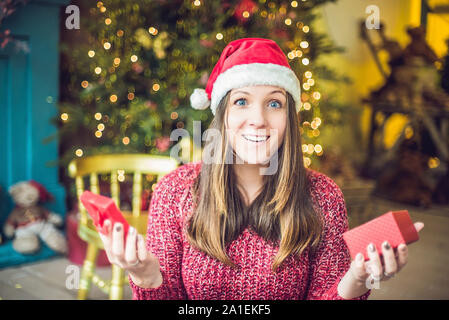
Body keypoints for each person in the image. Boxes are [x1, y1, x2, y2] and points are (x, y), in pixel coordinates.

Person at [98, 38, 424, 300]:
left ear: (289, 117)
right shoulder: (176, 191)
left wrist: (356, 280)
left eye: (274, 103)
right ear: (222, 115)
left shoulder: (324, 196)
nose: (258, 119)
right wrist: (144, 274)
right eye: (242, 101)